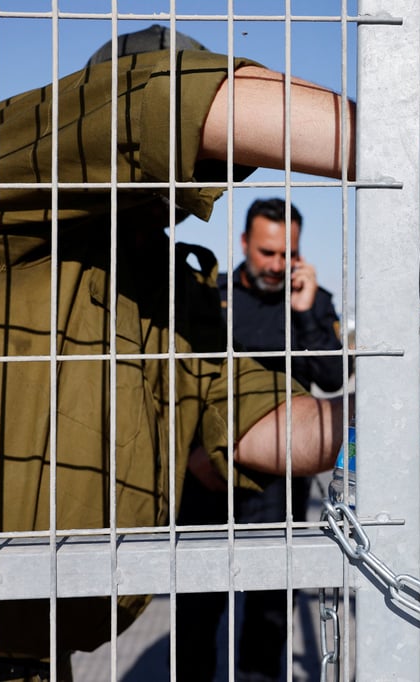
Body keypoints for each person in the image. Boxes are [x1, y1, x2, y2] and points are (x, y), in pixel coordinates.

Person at [0, 24, 420, 681]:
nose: (188, 176)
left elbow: (253, 422)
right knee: (200, 627)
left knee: (264, 623)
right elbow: (181, 101)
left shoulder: (171, 288)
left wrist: (394, 410)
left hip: (38, 657)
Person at [175, 198, 347, 681]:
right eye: (268, 252)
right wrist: (193, 456)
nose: (276, 264)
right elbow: (185, 380)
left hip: (278, 482)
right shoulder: (212, 297)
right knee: (196, 607)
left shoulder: (312, 301)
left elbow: (333, 379)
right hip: (207, 473)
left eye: (286, 253)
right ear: (245, 242)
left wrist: (308, 312)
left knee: (271, 606)